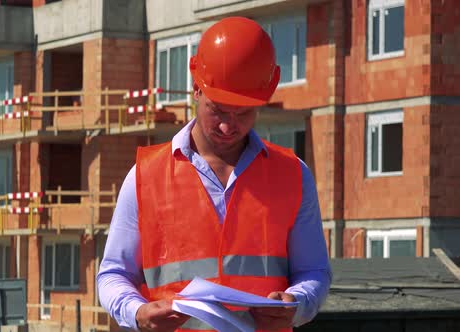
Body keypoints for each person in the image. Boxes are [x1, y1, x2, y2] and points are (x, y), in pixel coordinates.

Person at [97, 16, 331, 332]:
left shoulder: (293, 175)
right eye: (218, 109)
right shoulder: (145, 177)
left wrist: (297, 303)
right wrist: (136, 313)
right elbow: (113, 273)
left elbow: (314, 271)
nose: (227, 125)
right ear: (196, 88)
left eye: (243, 112)